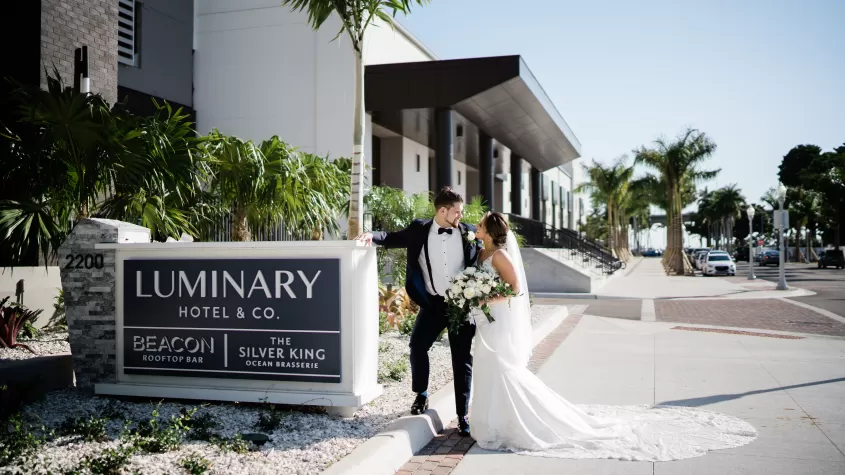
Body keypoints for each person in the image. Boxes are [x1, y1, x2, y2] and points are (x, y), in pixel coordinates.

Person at [469, 211, 757, 461]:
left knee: (503, 369)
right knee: (487, 365)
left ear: (491, 232)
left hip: (499, 320)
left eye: (480, 225)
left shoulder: (500, 255)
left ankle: (513, 423)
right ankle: (488, 421)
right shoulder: (481, 252)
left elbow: (515, 289)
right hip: (486, 321)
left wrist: (484, 299)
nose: (476, 227)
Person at [357, 187, 481, 437]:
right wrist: (370, 235)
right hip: (433, 304)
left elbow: (486, 254)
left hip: (461, 306)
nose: (460, 215)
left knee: (461, 359)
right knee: (417, 346)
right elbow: (391, 237)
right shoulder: (419, 229)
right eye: (456, 211)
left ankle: (463, 415)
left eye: (461, 211)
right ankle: (421, 395)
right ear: (442, 210)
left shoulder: (468, 232)